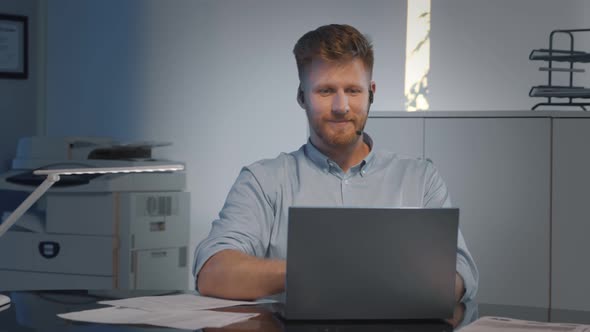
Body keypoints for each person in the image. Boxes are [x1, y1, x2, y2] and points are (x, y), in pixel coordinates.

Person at [193, 24, 478, 303]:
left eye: (353, 91)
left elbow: (458, 274)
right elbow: (213, 272)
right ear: (302, 96)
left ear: (371, 93)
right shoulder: (263, 181)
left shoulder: (420, 178)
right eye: (326, 91)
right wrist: (324, 271)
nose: (341, 106)